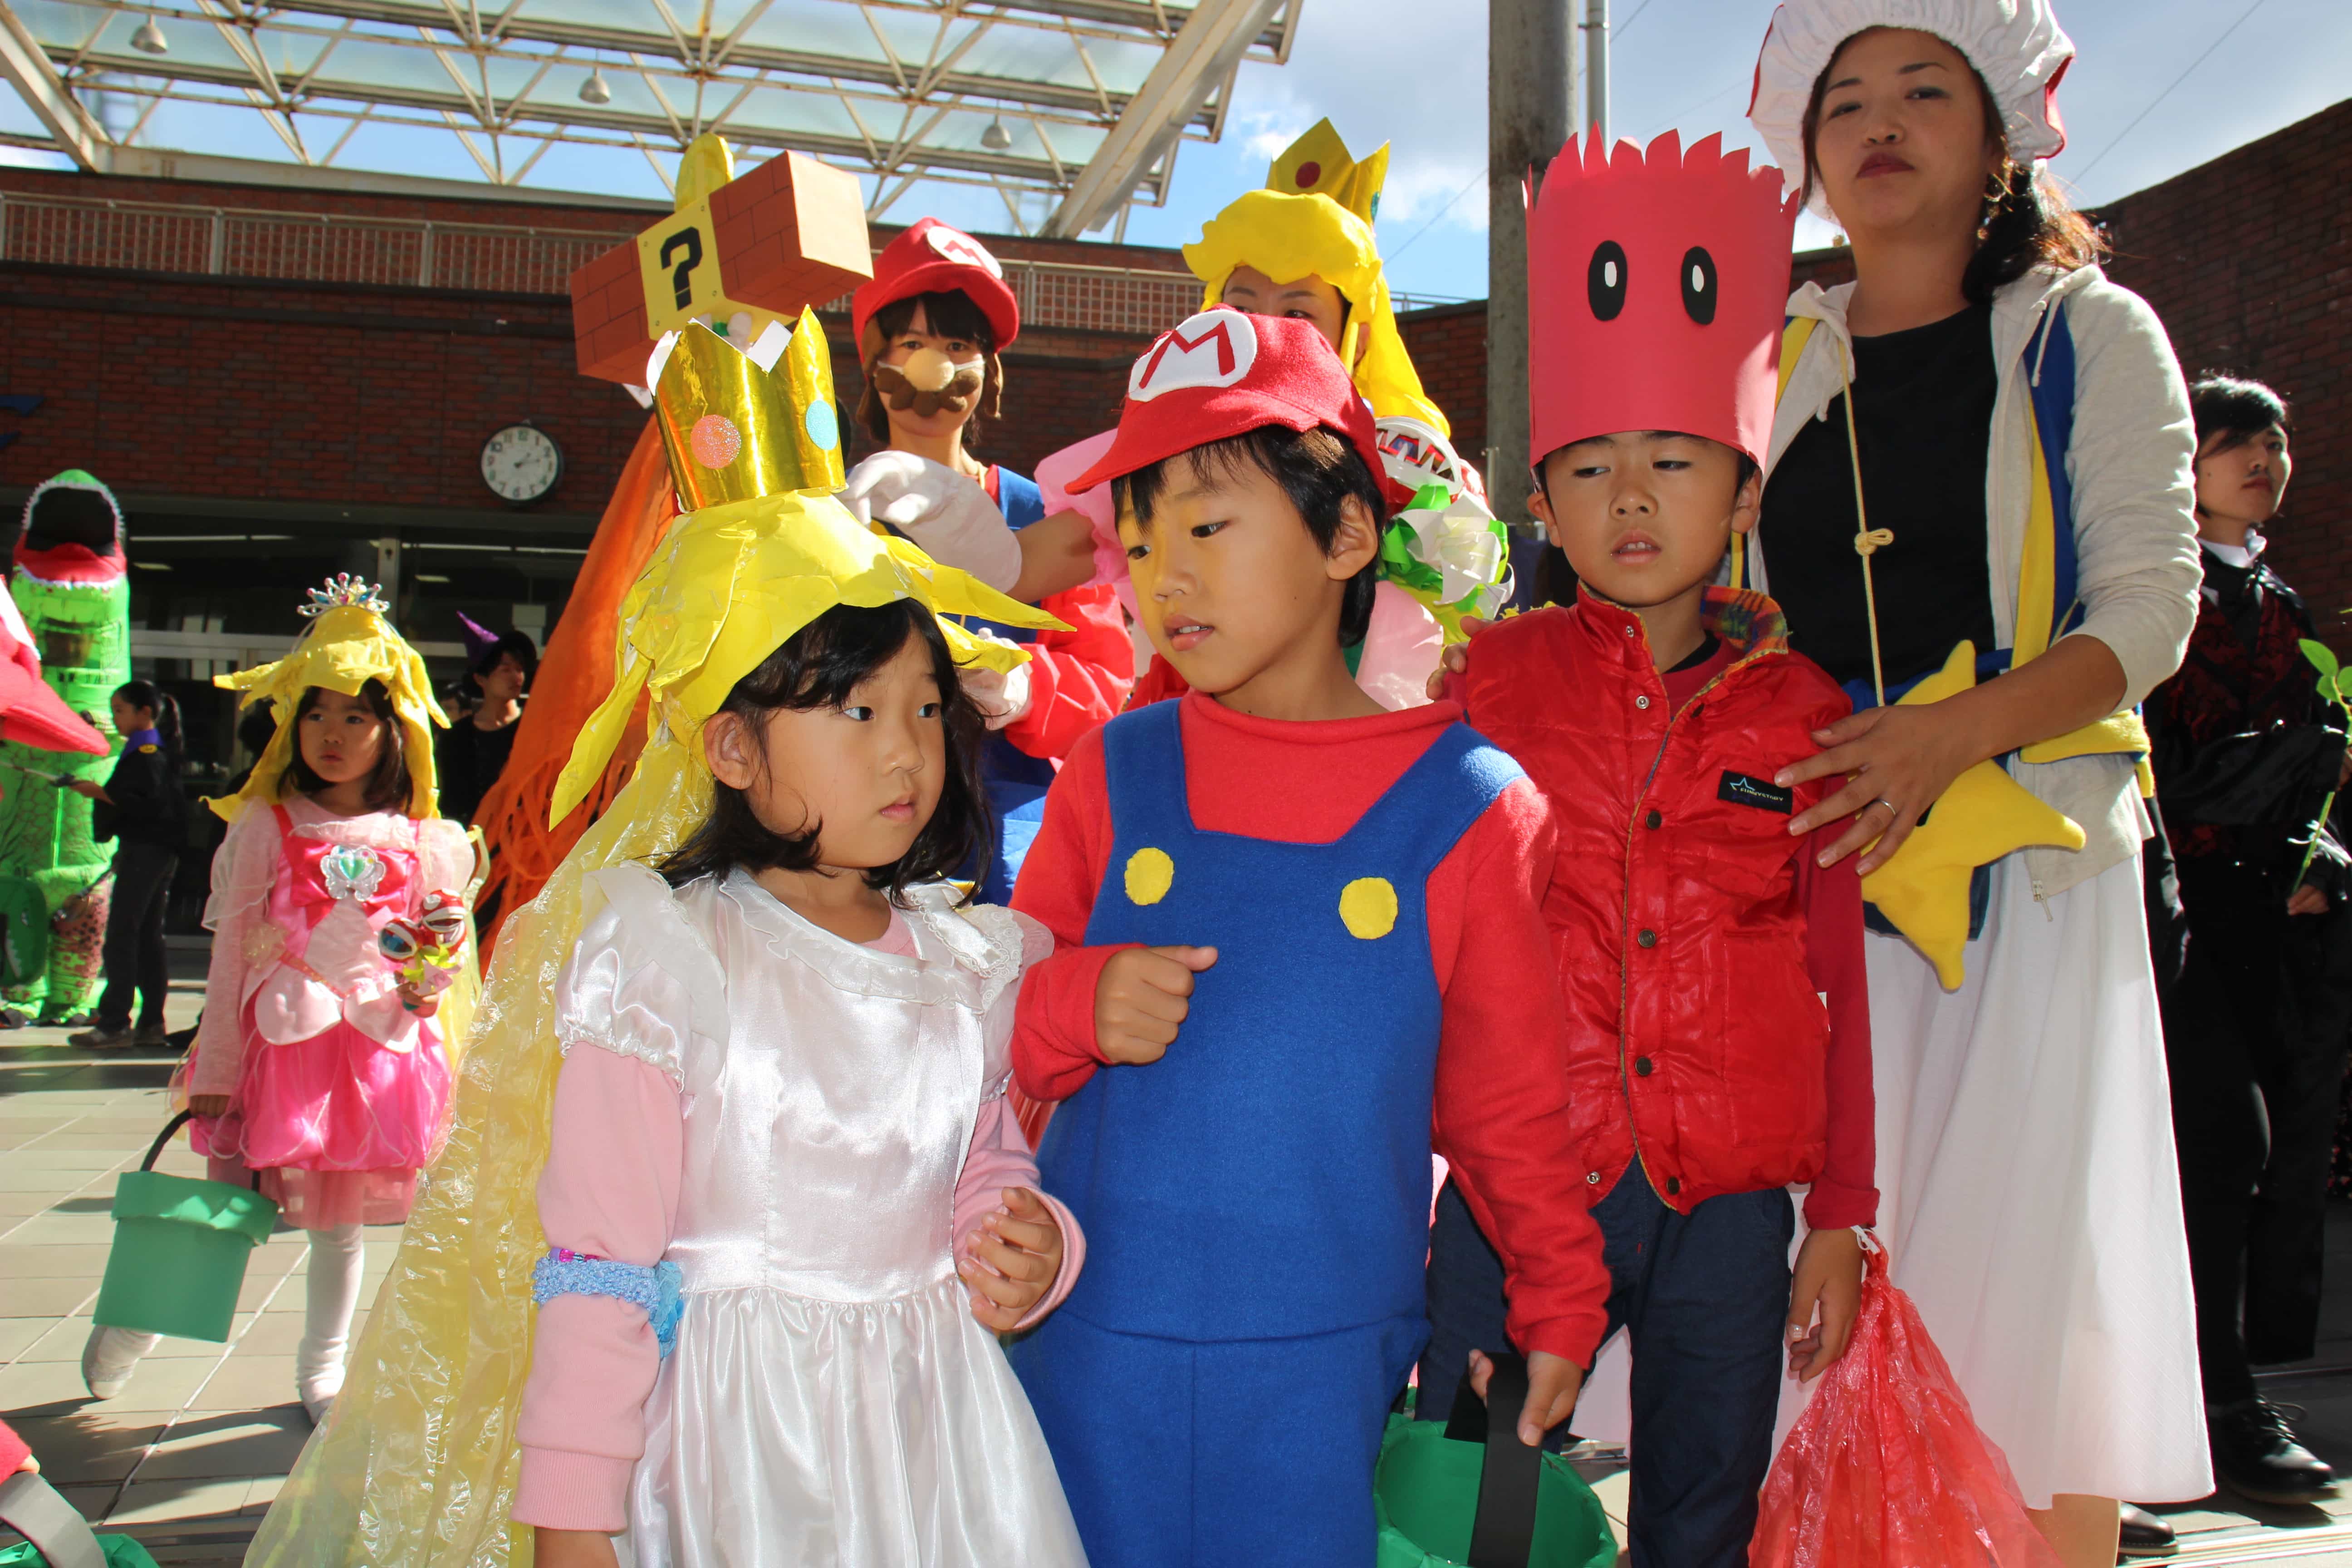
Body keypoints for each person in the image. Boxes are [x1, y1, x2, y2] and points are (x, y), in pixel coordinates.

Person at [239, 310, 1071, 1568]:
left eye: (923, 707)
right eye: (855, 711)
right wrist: (573, 1517)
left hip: (939, 1447)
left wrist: (1027, 1240)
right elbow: (599, 1265)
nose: (906, 749)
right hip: (743, 1453)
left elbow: (982, 1159)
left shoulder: (965, 965)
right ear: (730, 746)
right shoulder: (671, 958)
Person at [1004, 309, 1608, 1564]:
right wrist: (1075, 1003)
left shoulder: (1469, 806)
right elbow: (992, 1028)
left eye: (1208, 526)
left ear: (1345, 536)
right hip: (1081, 1335)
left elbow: (1507, 1101)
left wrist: (1559, 1295)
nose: (1166, 575)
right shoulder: (1114, 770)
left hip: (1323, 1363)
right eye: (1140, 539)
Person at [1744, 3, 2207, 1558]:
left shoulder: (2087, 332)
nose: (1879, 123)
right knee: (1808, 1311)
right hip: (1810, 888)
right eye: (1845, 101)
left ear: (2001, 131)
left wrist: (1951, 734)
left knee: (2024, 1305)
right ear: (1808, 151)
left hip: (2033, 888)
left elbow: (2149, 610)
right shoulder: (1769, 357)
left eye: (1922, 91)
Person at [1416, 129, 1875, 1568]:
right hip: (1519, 1188)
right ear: (1541, 505)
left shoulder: (1809, 717)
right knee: (1474, 1512)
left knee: (1701, 1520)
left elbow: (1838, 975)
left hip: (1729, 1207)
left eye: (1673, 463)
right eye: (1591, 468)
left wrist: (1842, 1215)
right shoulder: (1486, 686)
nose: (1630, 498)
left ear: (1742, 495)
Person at [78, 575, 479, 1421]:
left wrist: (429, 976)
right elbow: (231, 956)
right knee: (232, 1202)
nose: (332, 735)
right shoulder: (266, 823)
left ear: (394, 731)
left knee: (341, 1228)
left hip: (375, 1052)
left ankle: (322, 1368)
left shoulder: (426, 839)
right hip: (280, 1044)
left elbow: (437, 952)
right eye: (316, 714)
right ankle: (136, 1323)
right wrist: (217, 1066)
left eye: (356, 717)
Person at [2146, 373, 2350, 1504]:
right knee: (2218, 1146)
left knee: (2258, 1157)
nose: (2262, 459)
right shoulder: (2163, 588)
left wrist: (2318, 851)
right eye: (2234, 442)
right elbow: (2158, 760)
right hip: (2178, 910)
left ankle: (2220, 1392)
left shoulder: (2283, 599)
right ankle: (2214, 1403)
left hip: (2270, 915)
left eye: (2273, 440)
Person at [839, 219, 1130, 903]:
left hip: (1008, 844)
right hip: (859, 826)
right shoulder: (836, 513)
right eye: (911, 344)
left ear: (987, 370)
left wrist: (1025, 687)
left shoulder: (1049, 518)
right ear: (874, 363)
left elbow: (1107, 687)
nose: (933, 367)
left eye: (957, 345)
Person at [64, 681, 188, 1050]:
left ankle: (115, 1023)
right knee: (147, 937)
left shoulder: (148, 753)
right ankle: (151, 1023)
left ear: (144, 712)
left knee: (122, 935)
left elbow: (148, 805)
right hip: (151, 852)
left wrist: (99, 792)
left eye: (120, 710)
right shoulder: (150, 750)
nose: (115, 718)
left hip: (147, 853)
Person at [435, 615, 536, 825]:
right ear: (481, 679)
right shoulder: (457, 737)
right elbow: (451, 801)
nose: (517, 677)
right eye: (506, 670)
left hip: (526, 836)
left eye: (519, 669)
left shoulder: (535, 728)